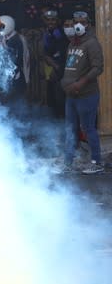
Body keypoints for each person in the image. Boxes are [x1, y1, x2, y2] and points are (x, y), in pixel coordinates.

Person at [61, 12, 104, 174]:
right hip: (71, 95)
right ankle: (68, 162)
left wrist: (81, 82)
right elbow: (70, 67)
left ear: (88, 24)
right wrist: (66, 83)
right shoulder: (72, 44)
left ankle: (96, 162)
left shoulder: (92, 43)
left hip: (86, 95)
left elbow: (98, 67)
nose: (78, 25)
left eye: (82, 22)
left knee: (88, 128)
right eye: (76, 22)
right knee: (70, 128)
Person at [41, 9, 69, 119]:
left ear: (57, 21)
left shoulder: (61, 33)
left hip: (61, 69)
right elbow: (45, 53)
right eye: (48, 20)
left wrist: (55, 66)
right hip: (51, 69)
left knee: (61, 99)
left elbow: (61, 53)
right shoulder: (47, 33)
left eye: (53, 20)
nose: (50, 22)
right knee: (52, 97)